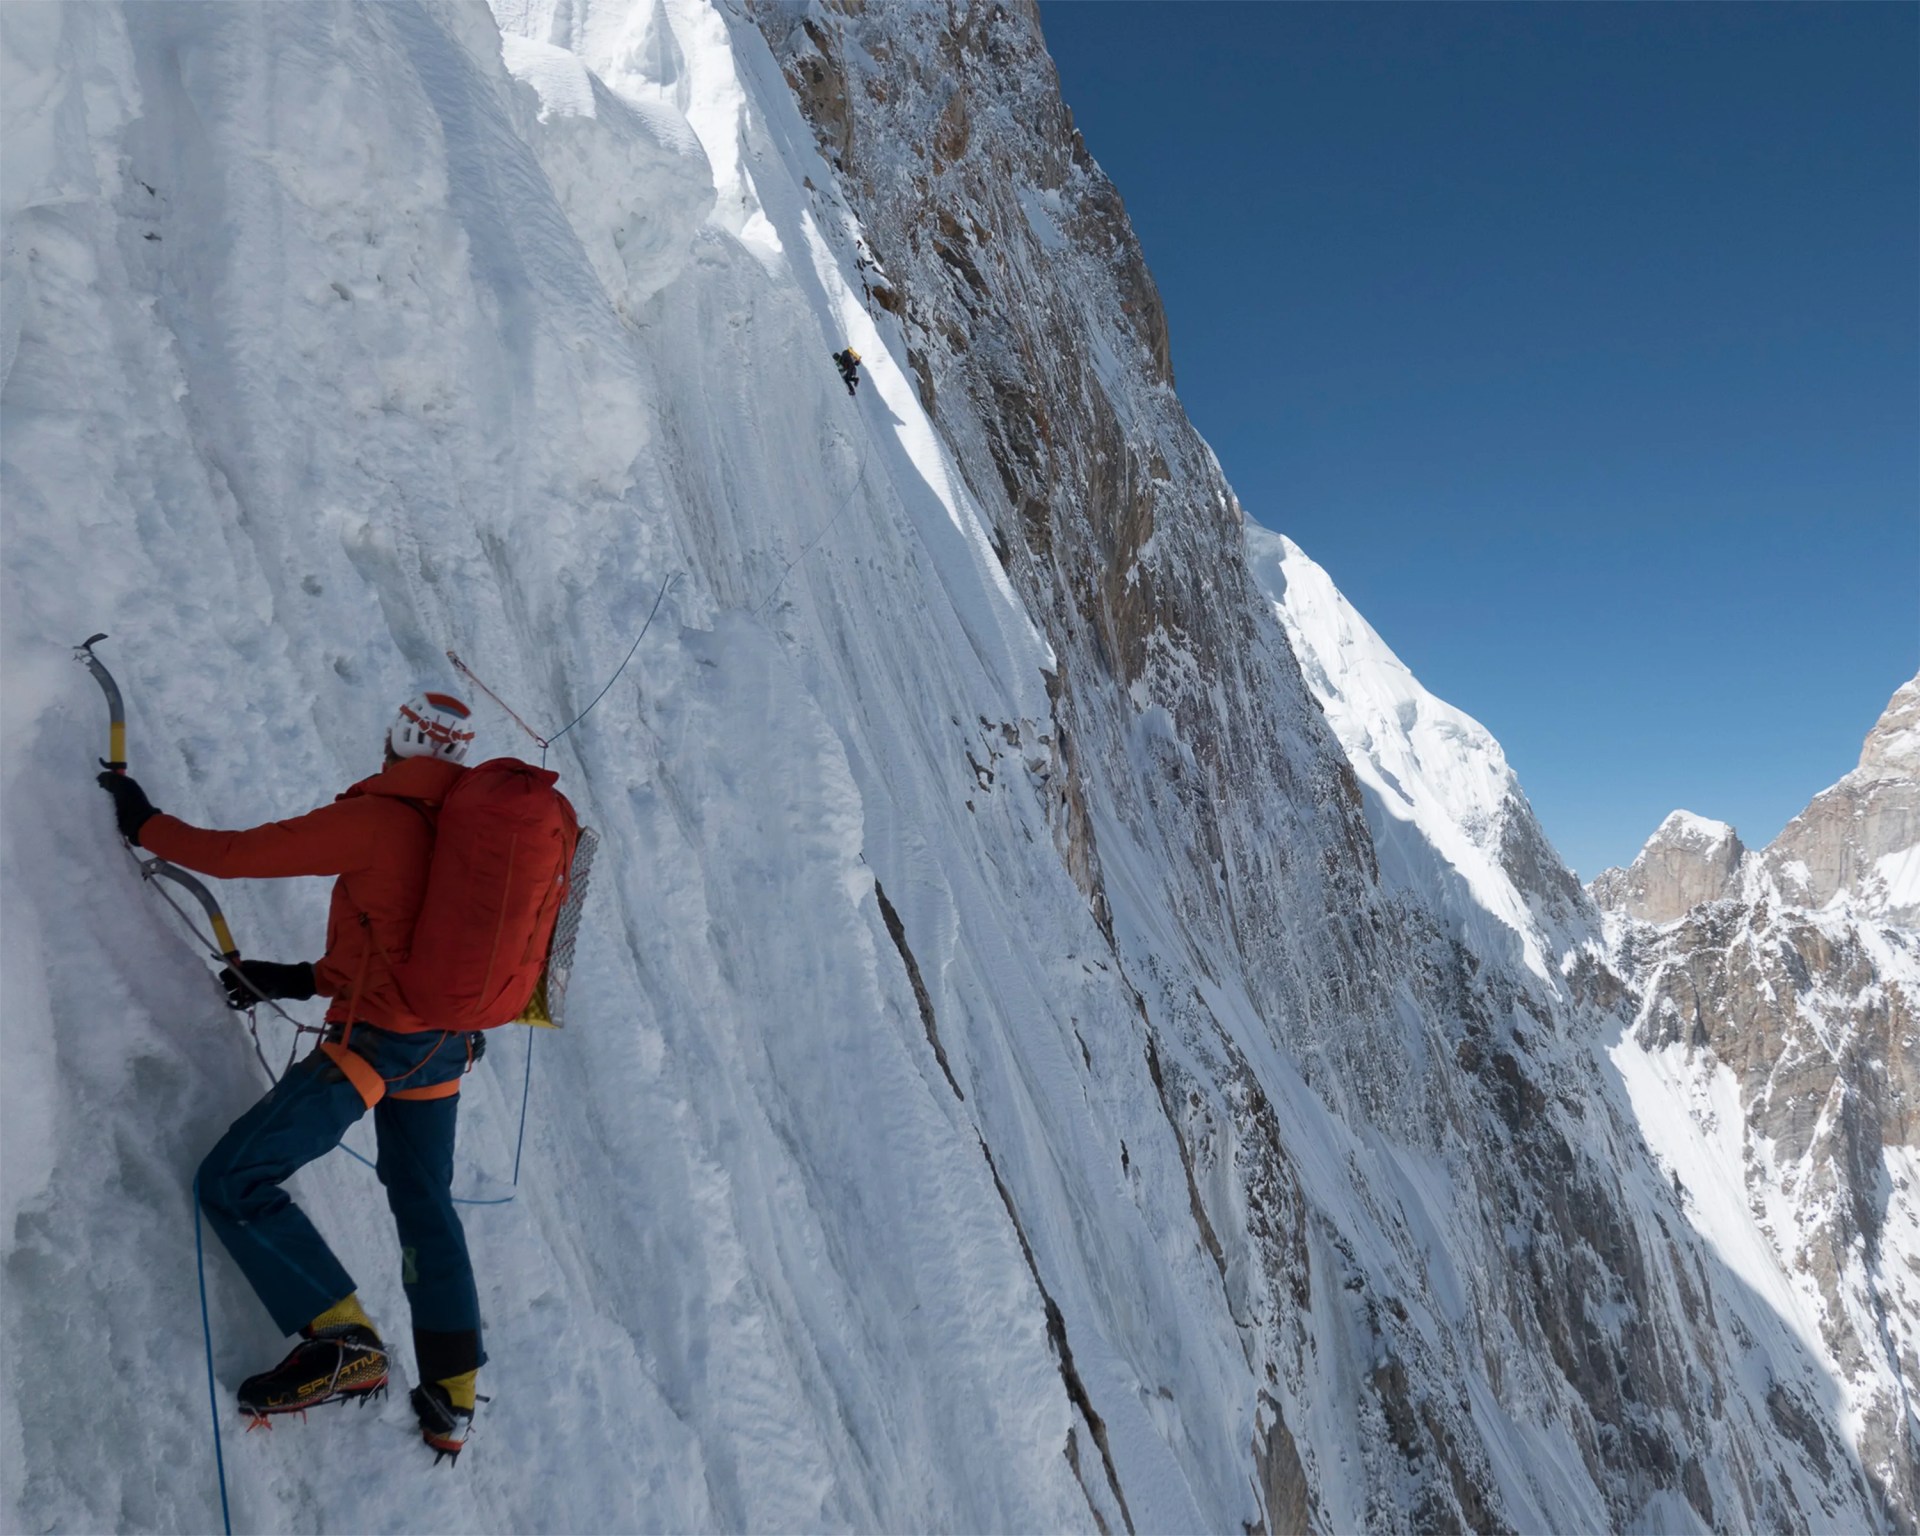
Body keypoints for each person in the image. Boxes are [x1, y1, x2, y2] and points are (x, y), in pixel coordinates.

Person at [97, 692, 488, 1462]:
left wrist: (143, 823)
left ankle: (343, 1341)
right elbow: (400, 935)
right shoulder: (467, 832)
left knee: (235, 1179)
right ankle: (456, 1397)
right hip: (445, 1043)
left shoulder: (379, 818)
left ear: (397, 741)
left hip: (377, 1046)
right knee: (424, 1205)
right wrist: (299, 977)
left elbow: (237, 855)